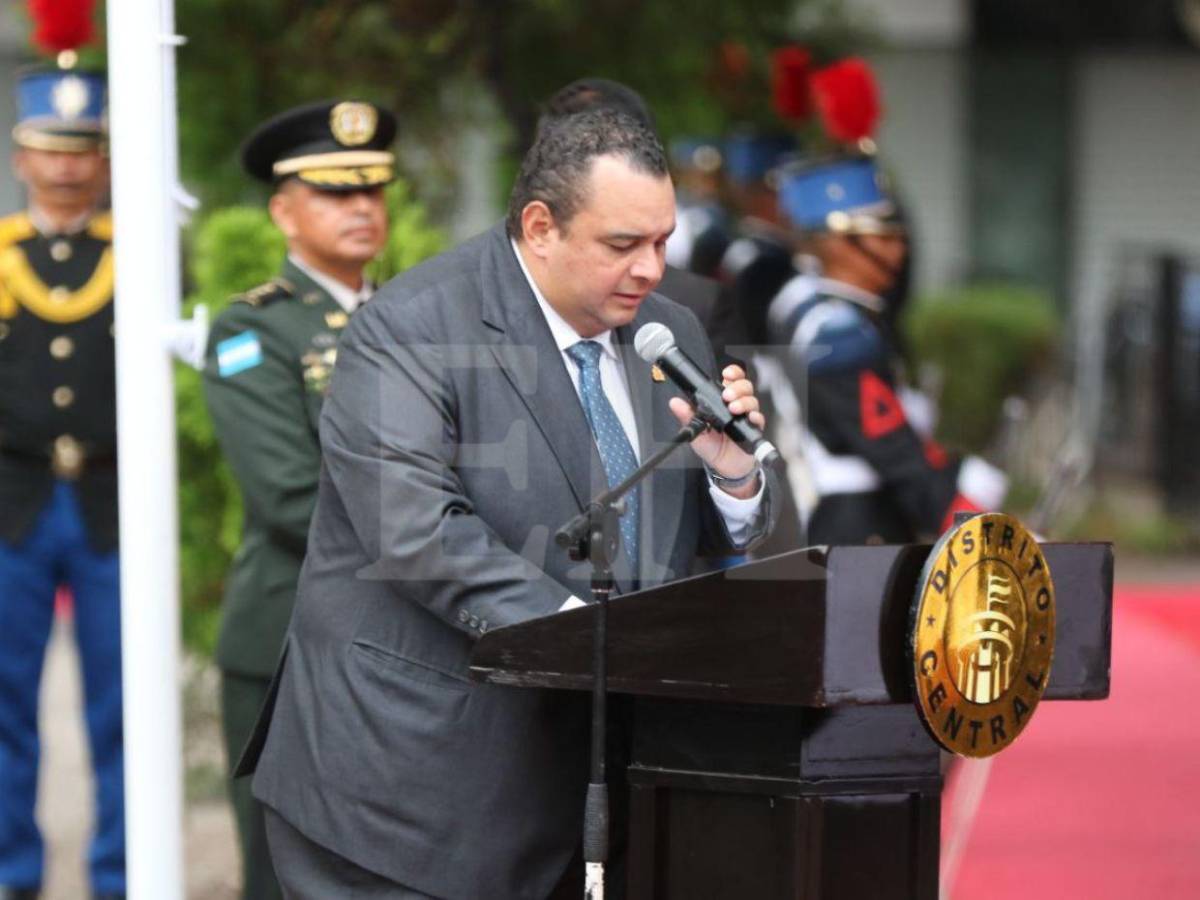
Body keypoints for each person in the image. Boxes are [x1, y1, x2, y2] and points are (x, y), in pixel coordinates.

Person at [240, 107, 779, 899]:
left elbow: (682, 536)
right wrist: (598, 648)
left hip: (595, 794)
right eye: (623, 245)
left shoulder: (671, 335)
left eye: (662, 241)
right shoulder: (408, 330)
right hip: (407, 800)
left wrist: (734, 477)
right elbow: (418, 532)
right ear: (539, 228)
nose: (651, 269)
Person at [201, 99, 395, 900]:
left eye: (371, 191)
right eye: (333, 192)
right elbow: (287, 496)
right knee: (284, 871)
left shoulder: (410, 316)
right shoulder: (252, 329)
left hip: (400, 636)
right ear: (283, 211)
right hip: (290, 637)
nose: (360, 209)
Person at [0, 68, 124, 900]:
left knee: (123, 702)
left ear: (106, 161)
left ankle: (122, 873)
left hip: (117, 506)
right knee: (5, 707)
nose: (68, 169)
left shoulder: (141, 251)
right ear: (21, 156)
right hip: (13, 504)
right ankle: (14, 875)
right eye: (52, 151)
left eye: (83, 152)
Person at [767, 153, 1006, 544]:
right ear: (837, 243)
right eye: (884, 237)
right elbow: (894, 454)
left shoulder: (820, 311)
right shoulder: (839, 335)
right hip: (858, 524)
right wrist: (964, 510)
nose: (899, 251)